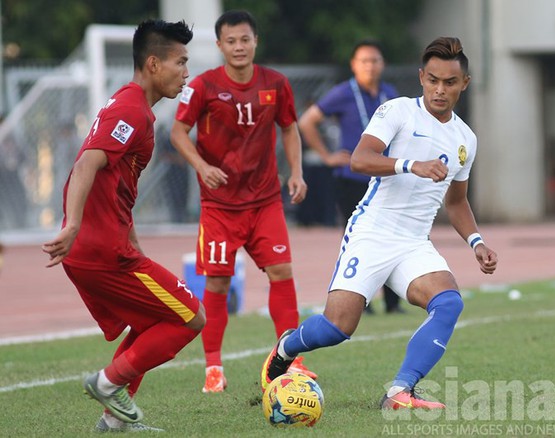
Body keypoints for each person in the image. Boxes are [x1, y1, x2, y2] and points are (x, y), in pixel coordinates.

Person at [261, 36, 498, 409]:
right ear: (421, 77)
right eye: (433, 79)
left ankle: (399, 391)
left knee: (449, 302)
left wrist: (476, 242)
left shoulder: (465, 138)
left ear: (464, 84)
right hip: (372, 232)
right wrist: (410, 165)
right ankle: (285, 347)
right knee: (337, 327)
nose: (440, 89)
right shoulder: (397, 111)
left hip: (414, 243)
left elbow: (456, 201)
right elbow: (360, 158)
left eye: (449, 82)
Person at [41, 19, 203, 432]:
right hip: (99, 249)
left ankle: (114, 420)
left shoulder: (129, 105)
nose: (186, 72)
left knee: (152, 321)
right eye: (180, 61)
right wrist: (73, 224)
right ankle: (107, 383)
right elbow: (86, 164)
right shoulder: (132, 110)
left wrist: (131, 241)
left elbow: (116, 190)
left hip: (100, 246)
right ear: (153, 63)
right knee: (191, 318)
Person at [170, 9, 315, 394]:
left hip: (265, 200)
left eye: (244, 39)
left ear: (255, 42)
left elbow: (289, 129)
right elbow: (178, 132)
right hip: (219, 207)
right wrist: (201, 166)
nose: (238, 47)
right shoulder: (201, 86)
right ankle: (213, 368)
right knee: (216, 285)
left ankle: (293, 359)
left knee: (282, 271)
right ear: (219, 45)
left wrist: (297, 172)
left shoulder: (276, 83)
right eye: (230, 41)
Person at [298, 39, 403, 314]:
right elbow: (307, 121)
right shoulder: (343, 93)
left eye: (375, 60)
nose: (370, 66)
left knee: (392, 237)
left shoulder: (389, 94)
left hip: (386, 178)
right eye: (364, 61)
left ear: (383, 64)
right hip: (352, 178)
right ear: (354, 65)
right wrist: (327, 156)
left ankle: (393, 303)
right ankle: (361, 301)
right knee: (360, 240)